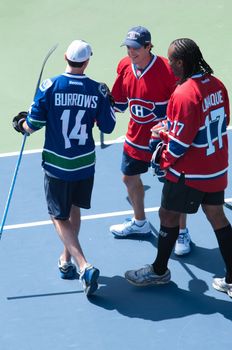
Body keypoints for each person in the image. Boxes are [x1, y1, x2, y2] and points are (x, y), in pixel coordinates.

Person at [124, 38, 232, 299]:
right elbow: (220, 120)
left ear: (181, 62)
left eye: (171, 60)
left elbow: (181, 143)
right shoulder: (217, 85)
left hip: (189, 173)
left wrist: (163, 155)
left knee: (167, 216)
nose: (169, 65)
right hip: (216, 167)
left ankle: (159, 270)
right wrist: (170, 127)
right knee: (217, 216)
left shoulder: (184, 93)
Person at [12, 39, 116, 297]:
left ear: (66, 59)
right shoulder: (97, 90)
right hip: (84, 164)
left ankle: (84, 265)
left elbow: (32, 125)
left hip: (58, 164)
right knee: (73, 209)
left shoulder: (50, 86)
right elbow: (108, 126)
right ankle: (65, 260)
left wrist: (20, 122)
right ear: (87, 62)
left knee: (58, 216)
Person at [109, 26, 191, 256]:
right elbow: (120, 103)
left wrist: (168, 128)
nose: (131, 52)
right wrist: (102, 101)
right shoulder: (125, 67)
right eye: (128, 47)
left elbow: (182, 104)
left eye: (135, 48)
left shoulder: (168, 70)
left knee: (174, 187)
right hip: (136, 137)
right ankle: (140, 222)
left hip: (163, 140)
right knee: (129, 177)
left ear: (148, 47)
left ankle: (182, 231)